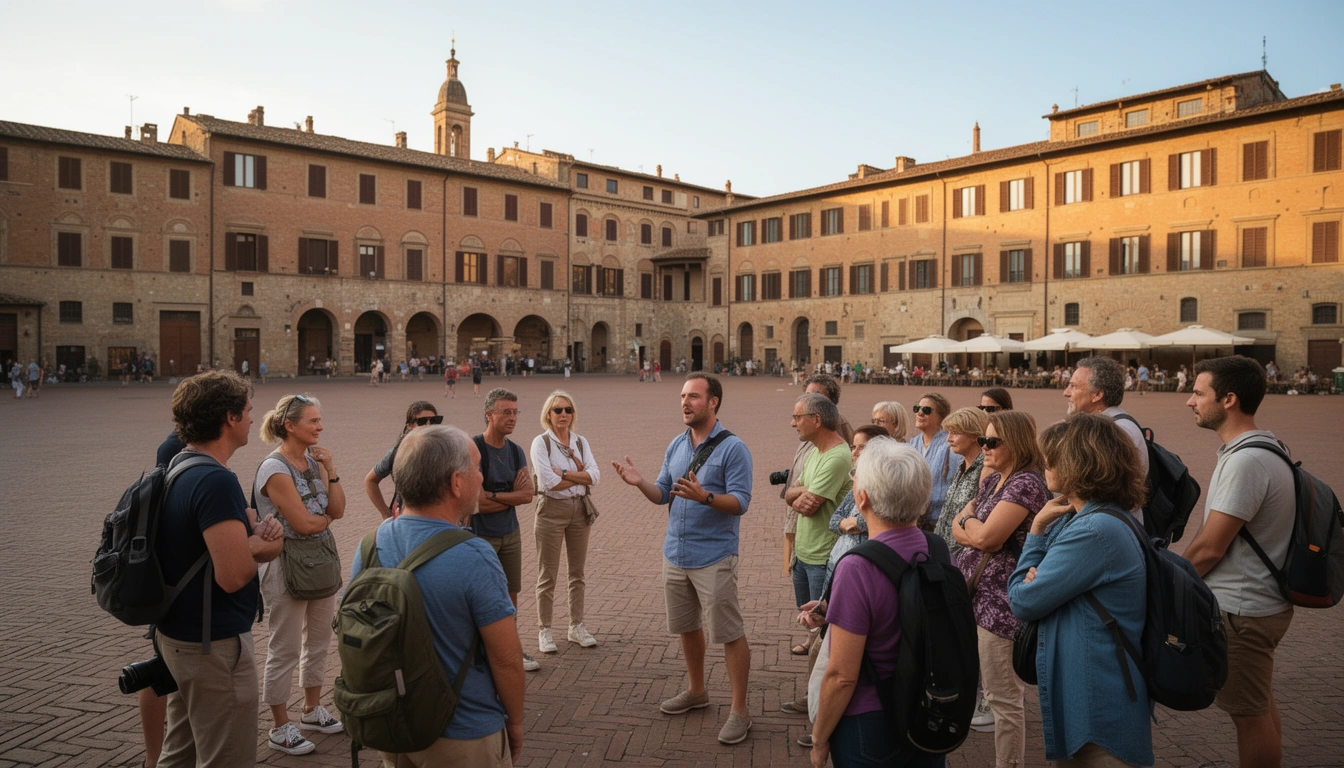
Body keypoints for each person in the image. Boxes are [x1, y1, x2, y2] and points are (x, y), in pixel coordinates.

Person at [354, 425, 525, 767]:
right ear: (456, 483)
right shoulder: (474, 555)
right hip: (462, 730)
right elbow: (506, 658)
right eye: (477, 468)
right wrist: (516, 722)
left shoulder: (371, 543)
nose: (482, 477)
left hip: (393, 724)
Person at [611, 373, 754, 745]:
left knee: (729, 632)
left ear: (713, 402)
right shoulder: (677, 444)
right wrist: (639, 482)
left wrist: (705, 497)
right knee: (688, 626)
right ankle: (696, 690)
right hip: (675, 553)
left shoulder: (733, 448)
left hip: (714, 555)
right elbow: (663, 493)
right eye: (682, 396)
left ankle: (740, 710)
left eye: (693, 396)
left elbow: (741, 502)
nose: (685, 403)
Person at [155, 370, 284, 768]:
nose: (252, 418)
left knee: (179, 754)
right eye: (248, 410)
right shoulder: (215, 480)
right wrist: (262, 544)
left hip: (179, 636)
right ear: (229, 418)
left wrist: (244, 540)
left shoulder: (180, 464)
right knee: (226, 757)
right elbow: (233, 575)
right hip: (213, 644)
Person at [1008, 415, 1152, 767]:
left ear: (1077, 463)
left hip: (1098, 698)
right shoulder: (1095, 517)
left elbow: (1023, 599)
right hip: (1093, 689)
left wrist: (1036, 532)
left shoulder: (1093, 530)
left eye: (1052, 458)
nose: (1044, 464)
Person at [1181, 356, 1295, 768]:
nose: (1190, 401)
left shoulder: (1247, 461)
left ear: (1228, 399)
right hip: (1259, 603)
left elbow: (1210, 547)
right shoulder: (1265, 447)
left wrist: (1172, 582)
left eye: (1199, 393)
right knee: (1259, 705)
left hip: (1244, 609)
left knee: (1249, 718)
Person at [804, 439, 940, 768]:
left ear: (862, 498)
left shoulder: (857, 566)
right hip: (928, 708)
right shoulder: (936, 549)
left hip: (872, 719)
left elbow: (841, 676)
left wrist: (819, 739)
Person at [950, 410, 1049, 768]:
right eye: (983, 440)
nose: (985, 447)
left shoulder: (1025, 484)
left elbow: (989, 539)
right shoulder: (994, 480)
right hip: (978, 597)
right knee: (990, 690)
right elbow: (959, 523)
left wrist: (971, 526)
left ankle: (1008, 763)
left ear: (1017, 443)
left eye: (993, 441)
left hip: (1001, 605)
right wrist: (971, 526)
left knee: (1003, 698)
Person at [253, 394, 346, 754]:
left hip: (319, 562)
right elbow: (304, 523)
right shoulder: (274, 469)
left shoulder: (314, 461)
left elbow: (338, 508)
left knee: (319, 642)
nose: (320, 427)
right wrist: (325, 519)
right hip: (286, 564)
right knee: (285, 648)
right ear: (290, 426)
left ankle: (311, 708)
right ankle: (279, 726)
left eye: (319, 420)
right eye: (313, 421)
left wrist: (331, 468)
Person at [932, 406, 993, 733]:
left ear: (974, 434)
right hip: (949, 557)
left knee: (971, 631)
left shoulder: (984, 468)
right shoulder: (963, 465)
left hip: (966, 561)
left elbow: (977, 518)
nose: (949, 438)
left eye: (955, 432)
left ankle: (985, 698)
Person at [782, 375, 853, 653]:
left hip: (822, 556)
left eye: (797, 417)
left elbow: (810, 507)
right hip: (804, 552)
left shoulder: (836, 457)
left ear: (817, 419)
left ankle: (821, 678)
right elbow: (791, 493)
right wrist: (800, 492)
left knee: (825, 629)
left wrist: (797, 493)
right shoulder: (815, 452)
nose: (793, 423)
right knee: (809, 620)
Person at [530, 390, 601, 653]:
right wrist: (579, 474)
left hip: (579, 510)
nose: (563, 414)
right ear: (548, 414)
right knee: (547, 574)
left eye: (568, 410)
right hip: (551, 510)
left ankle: (576, 626)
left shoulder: (580, 442)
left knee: (577, 573)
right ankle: (545, 630)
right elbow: (548, 482)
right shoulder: (541, 443)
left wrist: (564, 472)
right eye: (557, 410)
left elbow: (595, 476)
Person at [473, 388, 539, 672]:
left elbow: (528, 495)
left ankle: (512, 650)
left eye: (515, 412)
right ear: (489, 415)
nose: (512, 418)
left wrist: (493, 495)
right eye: (506, 412)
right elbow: (476, 504)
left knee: (511, 595)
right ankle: (482, 652)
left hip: (510, 534)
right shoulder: (474, 449)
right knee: (482, 595)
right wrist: (509, 495)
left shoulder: (515, 451)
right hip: (481, 536)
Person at [1064, 357, 1149, 522]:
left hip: (1108, 526)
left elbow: (1095, 491)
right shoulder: (1111, 425)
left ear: (1097, 395)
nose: (1066, 392)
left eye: (1073, 386)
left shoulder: (1115, 431)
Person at [366, 402, 442, 520]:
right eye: (422, 421)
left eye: (434, 420)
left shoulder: (447, 452)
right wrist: (385, 513)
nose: (429, 425)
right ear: (410, 425)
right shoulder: (398, 454)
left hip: (440, 520)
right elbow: (370, 480)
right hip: (406, 521)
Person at [909, 393, 962, 527]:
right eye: (917, 408)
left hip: (939, 521)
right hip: (914, 520)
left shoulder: (950, 446)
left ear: (941, 417)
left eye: (926, 410)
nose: (920, 413)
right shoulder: (913, 444)